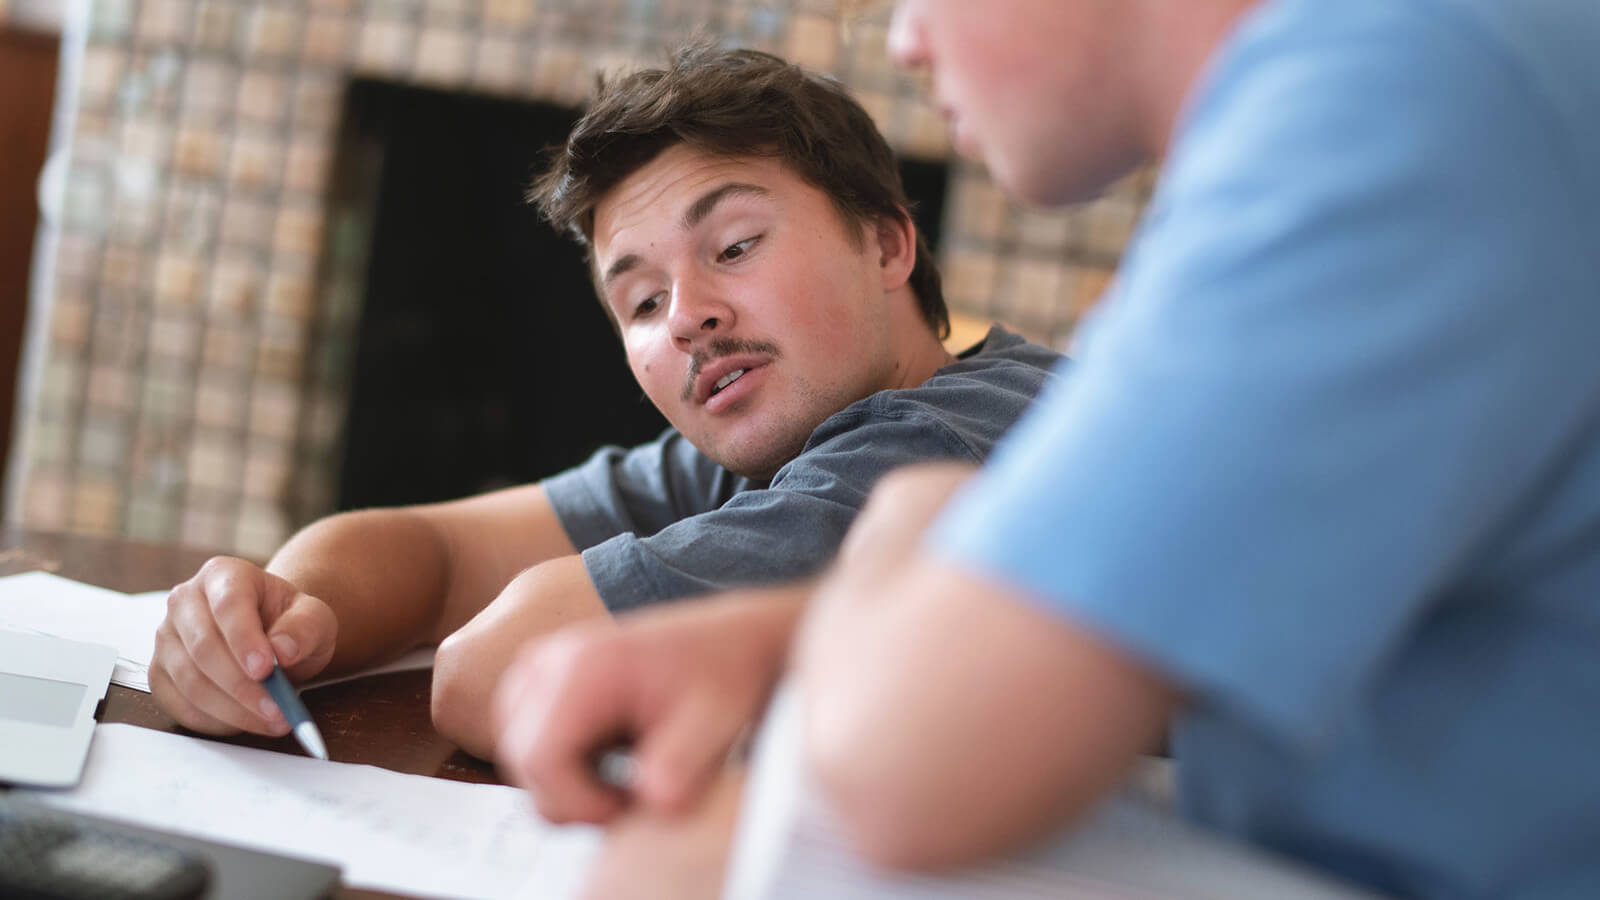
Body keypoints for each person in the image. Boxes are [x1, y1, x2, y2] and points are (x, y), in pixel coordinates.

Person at [493, 1, 1600, 897]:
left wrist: (910, 526)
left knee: (692, 860)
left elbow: (911, 767)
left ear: (890, 246)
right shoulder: (1390, 84)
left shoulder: (1395, 103)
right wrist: (804, 622)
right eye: (638, 300)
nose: (904, 41)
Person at [149, 44, 1062, 760]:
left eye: (736, 245)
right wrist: (283, 621)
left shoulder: (945, 439)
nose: (690, 317)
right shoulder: (770, 445)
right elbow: (431, 548)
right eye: (643, 302)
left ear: (888, 247)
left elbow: (495, 670)